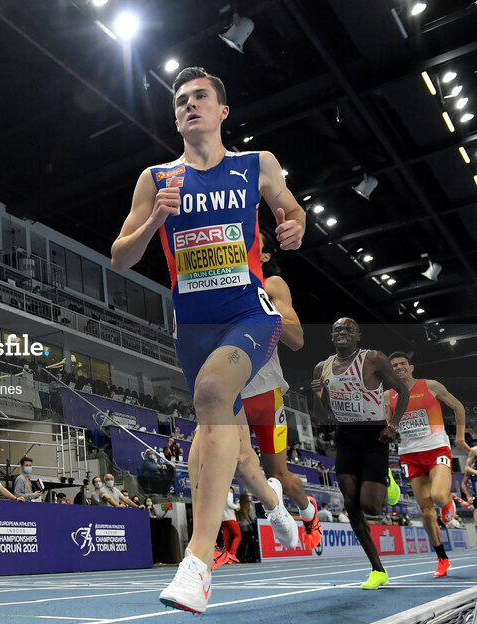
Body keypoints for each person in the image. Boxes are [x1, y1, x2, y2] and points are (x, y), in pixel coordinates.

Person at [110, 66, 305, 613]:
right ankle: (274, 507)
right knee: (231, 447)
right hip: (193, 327)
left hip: (249, 312)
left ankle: (197, 561)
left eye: (201, 97)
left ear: (222, 112)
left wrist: (294, 225)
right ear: (176, 119)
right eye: (181, 101)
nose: (189, 105)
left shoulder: (255, 165)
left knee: (215, 397)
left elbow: (291, 208)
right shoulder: (156, 179)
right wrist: (153, 225)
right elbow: (119, 257)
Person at [238, 228, 322, 554]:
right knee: (221, 462)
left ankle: (309, 511)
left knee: (280, 475)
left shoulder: (271, 285)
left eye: (251, 242)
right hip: (229, 392)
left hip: (265, 390)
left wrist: (264, 307)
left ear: (265, 256)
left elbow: (298, 339)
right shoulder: (221, 284)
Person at [312, 317, 409, 590]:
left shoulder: (374, 359)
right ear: (332, 337)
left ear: (359, 336)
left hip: (376, 435)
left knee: (371, 507)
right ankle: (377, 570)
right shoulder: (323, 368)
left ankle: (387, 479)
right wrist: (317, 396)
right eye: (337, 329)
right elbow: (323, 416)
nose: (342, 332)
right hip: (345, 436)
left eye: (348, 329)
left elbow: (402, 391)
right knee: (350, 503)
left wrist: (393, 425)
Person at [386, 351, 470, 578]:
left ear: (411, 367)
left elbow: (458, 407)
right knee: (426, 512)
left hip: (436, 450)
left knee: (440, 497)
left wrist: (460, 438)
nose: (398, 367)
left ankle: (449, 502)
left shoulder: (430, 386)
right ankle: (442, 558)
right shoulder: (388, 396)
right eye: (394, 365)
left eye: (402, 363)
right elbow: (387, 428)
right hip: (410, 456)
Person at [217, 487, 242, 569]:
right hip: (230, 518)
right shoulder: (228, 494)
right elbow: (230, 505)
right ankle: (232, 554)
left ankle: (227, 557)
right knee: (238, 536)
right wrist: (237, 507)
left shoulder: (220, 495)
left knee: (226, 538)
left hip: (223, 519)